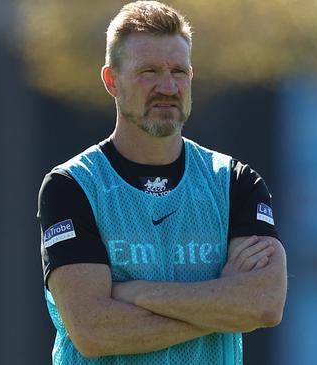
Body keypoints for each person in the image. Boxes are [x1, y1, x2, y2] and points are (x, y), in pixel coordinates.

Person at [37, 1, 287, 364]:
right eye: (149, 71)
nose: (167, 86)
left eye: (178, 71)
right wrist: (223, 306)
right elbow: (94, 331)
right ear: (112, 81)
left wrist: (135, 293)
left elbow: (264, 305)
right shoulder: (72, 186)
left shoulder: (235, 183)